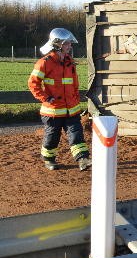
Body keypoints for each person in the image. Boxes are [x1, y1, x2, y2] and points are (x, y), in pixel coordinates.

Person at [28, 28, 91, 171]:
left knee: (76, 135)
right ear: (57, 44)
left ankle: (83, 159)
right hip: (53, 111)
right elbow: (33, 83)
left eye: (69, 43)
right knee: (52, 136)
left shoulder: (70, 62)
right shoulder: (44, 63)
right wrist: (45, 98)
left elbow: (74, 84)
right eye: (67, 43)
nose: (70, 46)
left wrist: (75, 99)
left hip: (71, 109)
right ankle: (49, 159)